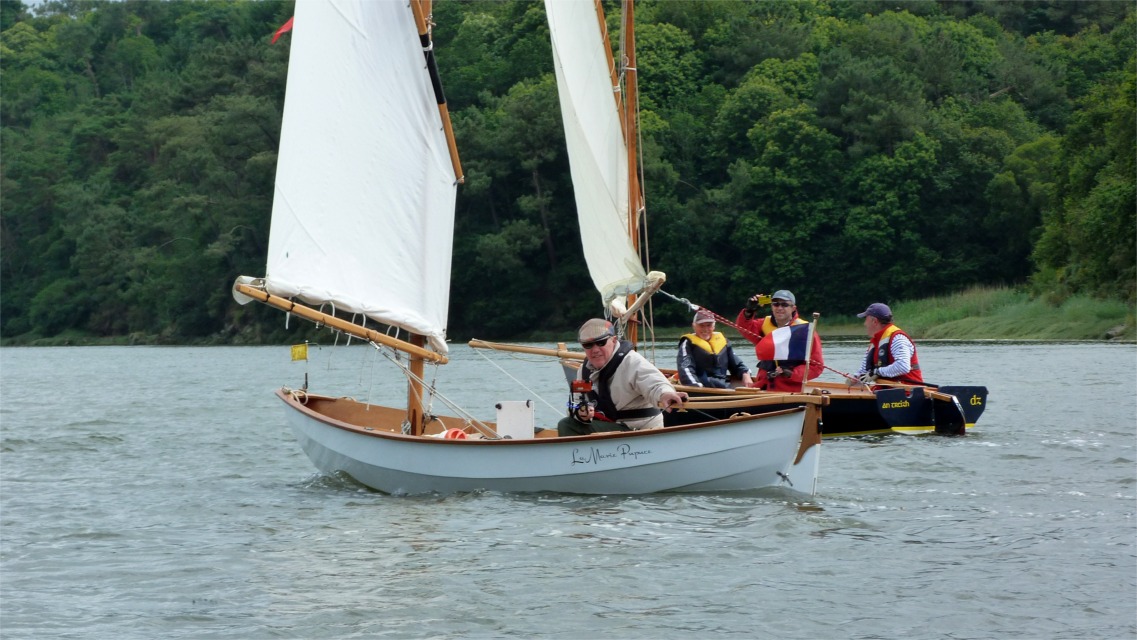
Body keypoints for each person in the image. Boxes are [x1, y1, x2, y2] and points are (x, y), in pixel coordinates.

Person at [558, 318, 688, 436]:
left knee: (566, 426)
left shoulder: (632, 361)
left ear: (614, 340)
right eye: (588, 345)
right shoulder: (583, 371)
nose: (595, 349)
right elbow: (575, 403)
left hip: (640, 431)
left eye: (601, 342)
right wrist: (580, 413)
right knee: (570, 422)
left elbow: (655, 383)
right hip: (611, 428)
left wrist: (665, 394)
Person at [736, 289, 823, 392]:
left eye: (785, 305)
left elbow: (816, 366)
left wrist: (792, 373)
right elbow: (743, 327)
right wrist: (749, 311)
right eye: (776, 304)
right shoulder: (763, 324)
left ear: (793, 308)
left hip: (790, 389)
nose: (780, 308)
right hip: (763, 386)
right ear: (772, 307)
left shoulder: (805, 331)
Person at [849, 302, 924, 387]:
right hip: (885, 391)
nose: (864, 324)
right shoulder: (875, 341)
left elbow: (903, 366)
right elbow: (864, 370)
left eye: (866, 319)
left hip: (907, 392)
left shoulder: (898, 338)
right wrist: (855, 377)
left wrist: (877, 372)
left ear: (874, 321)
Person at [676, 309, 753, 388]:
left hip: (722, 384)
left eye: (709, 325)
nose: (705, 329)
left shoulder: (724, 342)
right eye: (701, 325)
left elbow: (737, 364)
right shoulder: (688, 343)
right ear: (694, 326)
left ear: (714, 326)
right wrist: (697, 387)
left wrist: (745, 374)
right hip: (703, 385)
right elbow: (685, 369)